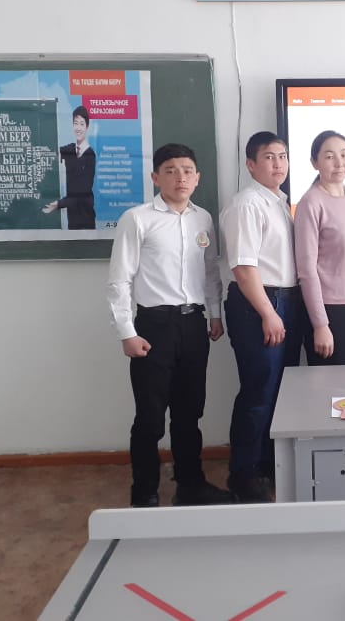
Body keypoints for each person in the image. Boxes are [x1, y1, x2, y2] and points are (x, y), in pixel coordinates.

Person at [105, 143, 227, 508]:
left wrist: (215, 313)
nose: (180, 177)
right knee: (150, 418)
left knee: (190, 413)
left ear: (197, 178)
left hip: (194, 325)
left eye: (187, 170)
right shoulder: (137, 219)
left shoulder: (203, 219)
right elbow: (119, 279)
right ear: (156, 177)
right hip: (153, 328)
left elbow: (209, 270)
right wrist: (127, 332)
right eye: (171, 170)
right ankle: (144, 493)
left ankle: (190, 484)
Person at [220, 131, 303, 502]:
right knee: (259, 390)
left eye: (282, 156)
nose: (278, 164)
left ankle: (269, 464)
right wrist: (269, 313)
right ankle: (244, 474)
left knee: (280, 391)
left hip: (285, 301)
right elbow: (243, 267)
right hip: (260, 304)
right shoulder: (247, 204)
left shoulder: (279, 202)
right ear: (251, 165)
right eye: (269, 157)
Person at [294, 130, 345, 365]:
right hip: (329, 310)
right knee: (332, 383)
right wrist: (320, 324)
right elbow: (306, 270)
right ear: (314, 162)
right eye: (329, 156)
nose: (339, 163)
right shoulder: (310, 202)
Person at [43, 105, 96, 229]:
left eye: (82, 124)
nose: (78, 128)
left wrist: (58, 204)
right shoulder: (70, 149)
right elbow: (50, 150)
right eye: (75, 123)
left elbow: (82, 193)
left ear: (87, 127)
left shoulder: (90, 155)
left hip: (86, 216)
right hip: (72, 217)